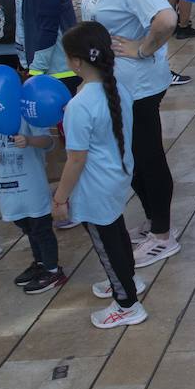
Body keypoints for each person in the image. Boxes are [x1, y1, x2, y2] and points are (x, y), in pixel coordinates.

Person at [78, 0, 181, 267]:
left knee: (146, 156)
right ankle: (155, 222)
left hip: (138, 84)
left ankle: (163, 235)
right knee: (133, 156)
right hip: (117, 83)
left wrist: (142, 48)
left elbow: (165, 19)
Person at [53, 21, 146, 328]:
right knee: (116, 231)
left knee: (107, 245)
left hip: (94, 186)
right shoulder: (117, 88)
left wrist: (60, 198)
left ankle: (127, 303)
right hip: (116, 177)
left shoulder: (79, 106)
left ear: (76, 62)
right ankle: (127, 278)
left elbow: (76, 159)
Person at [0, 109, 61, 293]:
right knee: (27, 228)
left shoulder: (29, 115)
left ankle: (52, 270)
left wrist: (29, 140)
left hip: (32, 188)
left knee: (41, 229)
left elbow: (48, 141)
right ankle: (40, 262)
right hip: (9, 191)